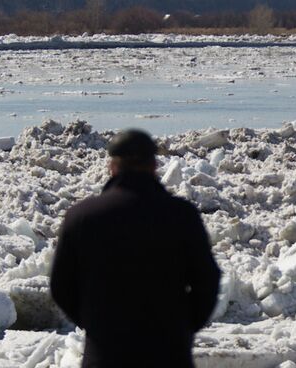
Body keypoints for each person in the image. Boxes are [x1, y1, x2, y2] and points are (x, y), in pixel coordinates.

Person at [50, 129, 220, 368]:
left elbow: (61, 285)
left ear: (112, 167)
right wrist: (184, 326)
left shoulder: (82, 216)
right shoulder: (181, 215)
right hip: (168, 354)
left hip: (105, 355)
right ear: (154, 165)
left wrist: (95, 323)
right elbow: (208, 279)